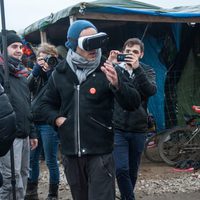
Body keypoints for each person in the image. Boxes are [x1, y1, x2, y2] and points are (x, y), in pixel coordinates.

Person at [40, 20, 141, 200]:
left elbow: (133, 103)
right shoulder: (60, 73)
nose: (93, 47)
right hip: (71, 155)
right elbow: (42, 105)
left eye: (96, 40)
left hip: (100, 154)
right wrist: (57, 119)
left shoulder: (107, 69)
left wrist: (118, 84)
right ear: (73, 44)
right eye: (87, 42)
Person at [108, 38, 157, 200]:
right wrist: (110, 64)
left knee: (132, 171)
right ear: (122, 52)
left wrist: (136, 69)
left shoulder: (147, 70)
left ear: (141, 55)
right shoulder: (116, 69)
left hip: (139, 128)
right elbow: (104, 88)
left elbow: (150, 90)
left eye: (135, 52)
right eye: (128, 52)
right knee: (121, 169)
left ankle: (125, 196)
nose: (131, 55)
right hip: (118, 127)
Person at [0, 30, 38, 200]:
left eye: (20, 47)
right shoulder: (2, 73)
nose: (19, 50)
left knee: (23, 174)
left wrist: (32, 132)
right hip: (8, 136)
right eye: (14, 46)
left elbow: (26, 105)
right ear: (3, 49)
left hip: (24, 134)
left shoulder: (22, 74)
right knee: (10, 180)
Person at [25, 43, 60, 200]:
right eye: (40, 58)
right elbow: (25, 89)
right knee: (32, 159)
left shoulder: (57, 73)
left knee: (51, 160)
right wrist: (35, 72)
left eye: (46, 58)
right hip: (33, 122)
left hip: (48, 123)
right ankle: (32, 191)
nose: (43, 61)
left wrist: (51, 71)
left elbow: (59, 91)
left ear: (52, 58)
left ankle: (53, 194)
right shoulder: (35, 73)